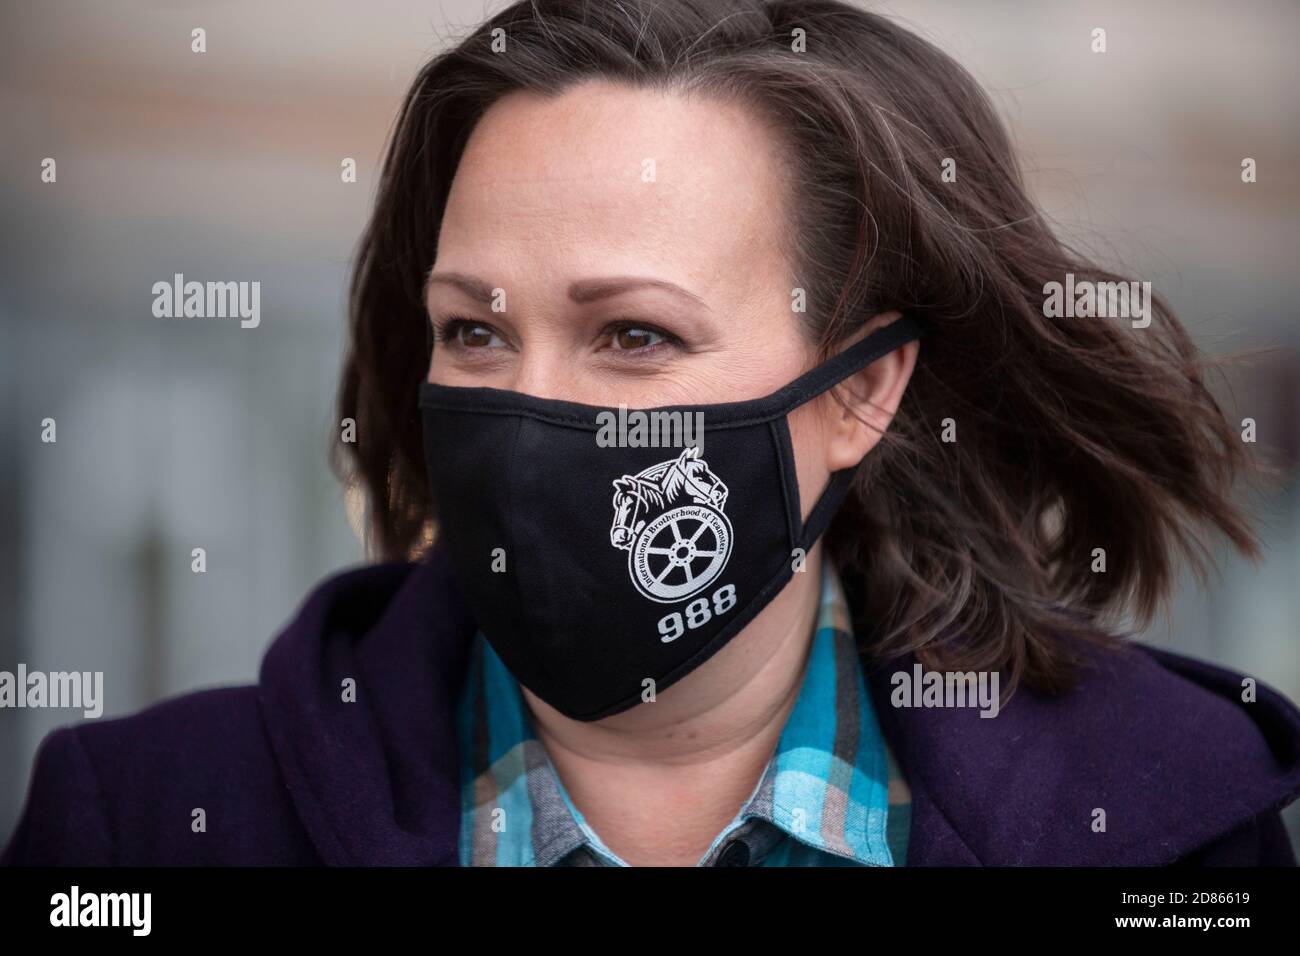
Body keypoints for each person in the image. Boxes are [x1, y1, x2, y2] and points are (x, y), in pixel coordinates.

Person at [5, 0, 1298, 868]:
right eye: (475, 331)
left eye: (631, 337)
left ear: (863, 390)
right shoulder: (141, 827)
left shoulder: (1167, 826)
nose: (530, 409)